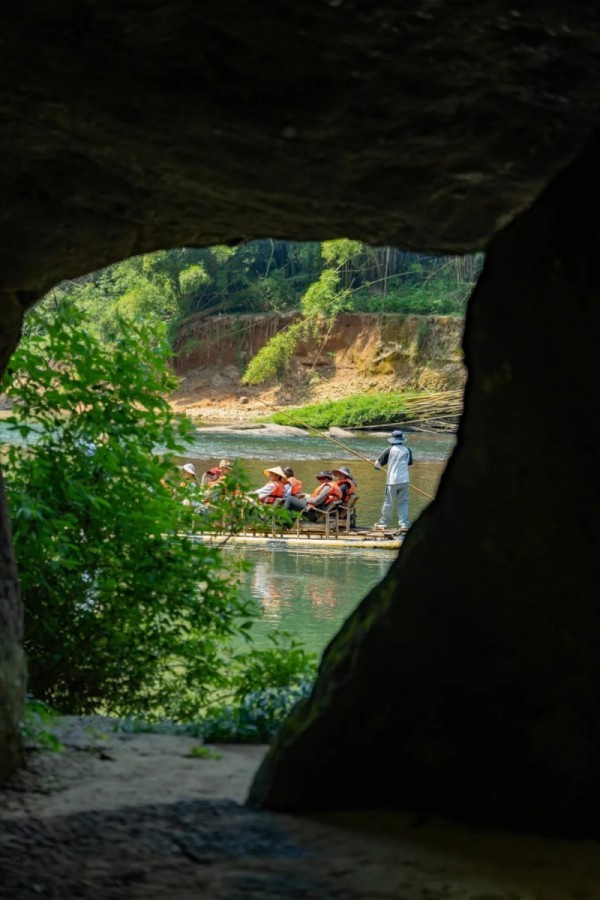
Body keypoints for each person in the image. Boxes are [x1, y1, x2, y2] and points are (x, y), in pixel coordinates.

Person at [373, 430, 413, 534]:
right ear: (402, 440)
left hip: (392, 481)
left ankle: (383, 523)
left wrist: (376, 467)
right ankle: (404, 524)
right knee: (403, 502)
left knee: (388, 502)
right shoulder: (407, 450)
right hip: (405, 480)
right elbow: (408, 464)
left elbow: (378, 464)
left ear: (392, 440)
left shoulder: (389, 450)